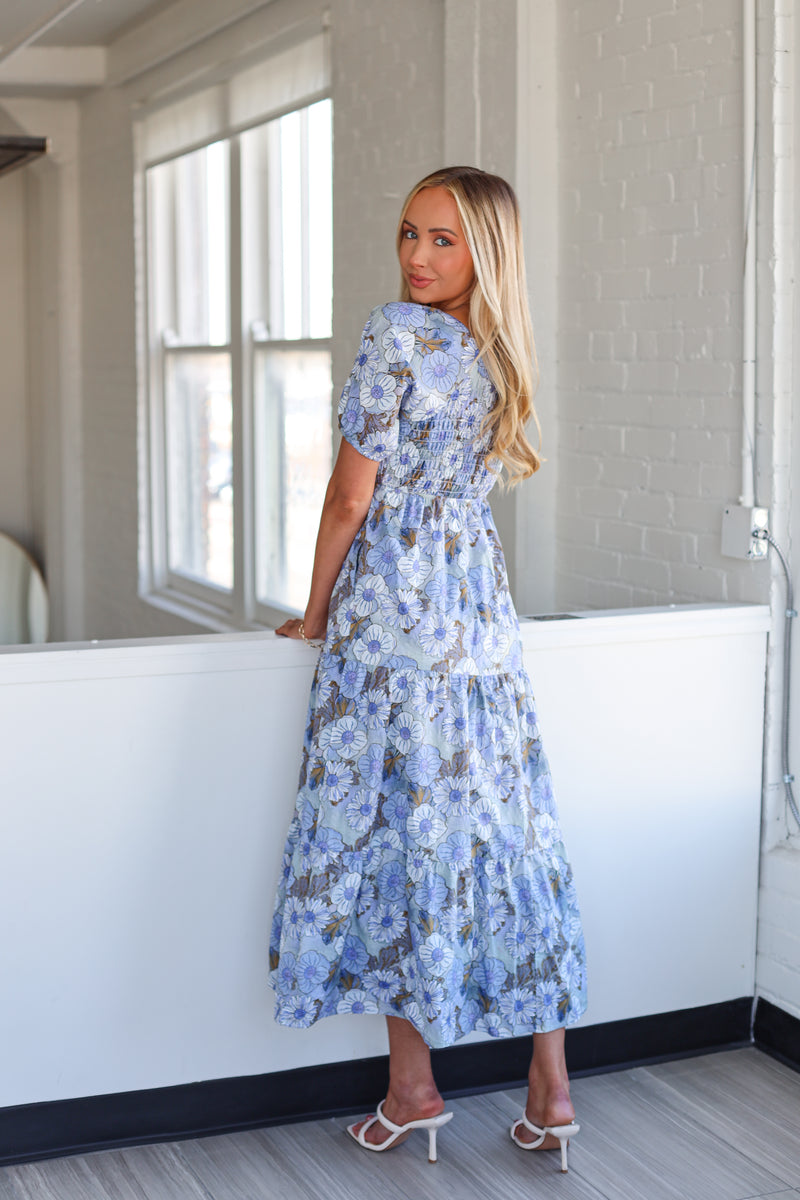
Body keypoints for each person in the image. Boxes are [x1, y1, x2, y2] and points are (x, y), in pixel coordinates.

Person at [271, 165, 587, 1169]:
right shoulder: (502, 348)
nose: (416, 255)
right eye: (410, 232)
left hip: (395, 617)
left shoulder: (397, 334)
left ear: (482, 252)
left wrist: (315, 610)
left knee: (396, 834)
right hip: (479, 616)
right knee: (506, 828)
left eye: (443, 240)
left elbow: (348, 499)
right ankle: (551, 1088)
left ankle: (412, 1091)